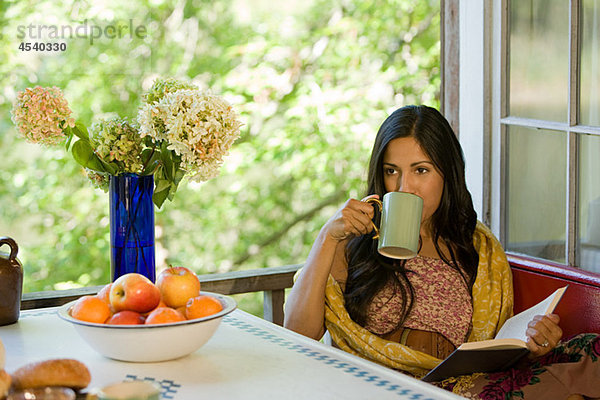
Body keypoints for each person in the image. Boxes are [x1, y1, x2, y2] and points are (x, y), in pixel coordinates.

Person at [284, 105, 600, 399]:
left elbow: (493, 351)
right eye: (391, 171)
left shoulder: (475, 248)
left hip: (461, 388)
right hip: (379, 390)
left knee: (589, 350)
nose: (404, 187)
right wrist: (327, 238)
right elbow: (297, 335)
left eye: (420, 171)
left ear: (447, 174)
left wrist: (534, 344)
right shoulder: (353, 241)